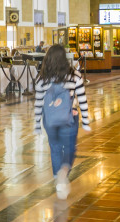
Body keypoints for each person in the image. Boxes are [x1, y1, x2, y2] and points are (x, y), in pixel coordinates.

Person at [33, 45, 90, 200]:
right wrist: (85, 120)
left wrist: (37, 123)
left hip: (50, 120)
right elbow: (82, 99)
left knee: (55, 148)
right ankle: (63, 172)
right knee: (70, 148)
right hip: (69, 117)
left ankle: (58, 179)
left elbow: (38, 103)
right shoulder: (75, 75)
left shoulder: (41, 78)